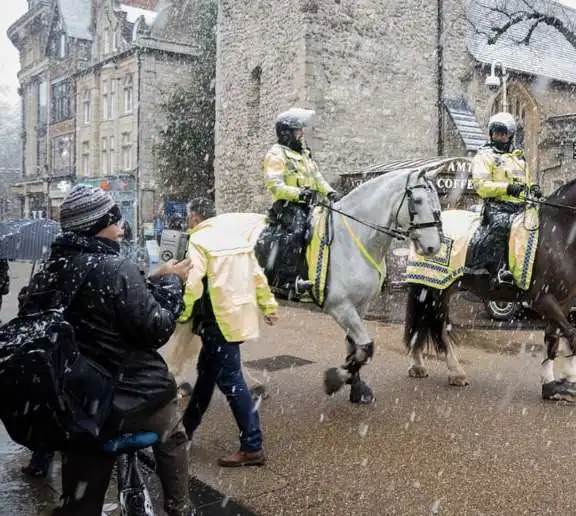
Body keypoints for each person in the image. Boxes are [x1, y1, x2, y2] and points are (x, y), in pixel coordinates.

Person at [19, 185, 194, 515]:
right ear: (98, 223)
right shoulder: (114, 268)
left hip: (76, 404)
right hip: (132, 399)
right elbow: (156, 328)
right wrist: (172, 285)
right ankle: (179, 506)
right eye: (115, 219)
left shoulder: (48, 272)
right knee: (172, 431)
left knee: (82, 486)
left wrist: (150, 279)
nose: (122, 226)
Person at [180, 198, 279, 467]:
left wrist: (182, 313)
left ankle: (252, 446)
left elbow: (193, 283)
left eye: (190, 218)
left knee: (231, 381)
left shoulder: (199, 240)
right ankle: (185, 429)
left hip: (216, 320)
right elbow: (257, 276)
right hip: (236, 317)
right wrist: (268, 306)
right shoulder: (235, 237)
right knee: (206, 375)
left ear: (195, 218)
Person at [263, 107, 341, 299]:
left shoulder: (304, 153)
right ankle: (287, 280)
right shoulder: (276, 154)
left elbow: (317, 177)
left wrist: (330, 193)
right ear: (287, 134)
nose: (302, 134)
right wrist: (299, 194)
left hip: (307, 204)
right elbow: (274, 185)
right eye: (298, 130)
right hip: (287, 206)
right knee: (297, 230)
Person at [467, 112, 540, 285]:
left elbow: (526, 180)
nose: (498, 136)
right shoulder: (485, 156)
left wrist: (533, 188)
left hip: (521, 206)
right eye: (496, 132)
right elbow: (481, 185)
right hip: (497, 206)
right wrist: (506, 188)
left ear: (510, 136)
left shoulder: (518, 158)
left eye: (502, 133)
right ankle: (496, 269)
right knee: (501, 226)